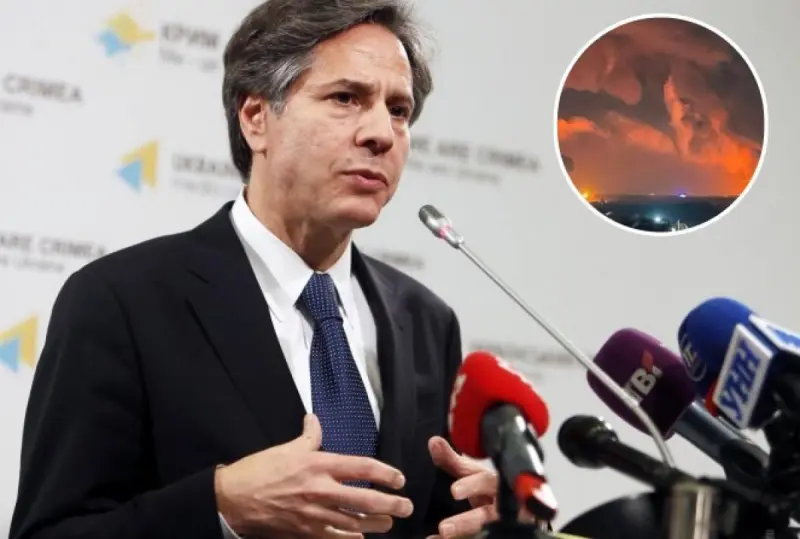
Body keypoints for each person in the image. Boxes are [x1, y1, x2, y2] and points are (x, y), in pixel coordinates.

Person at [9, 1, 500, 538]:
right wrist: (221, 506)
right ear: (256, 117)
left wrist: (487, 522)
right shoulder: (122, 302)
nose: (381, 132)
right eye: (345, 98)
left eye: (399, 110)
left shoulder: (426, 321)